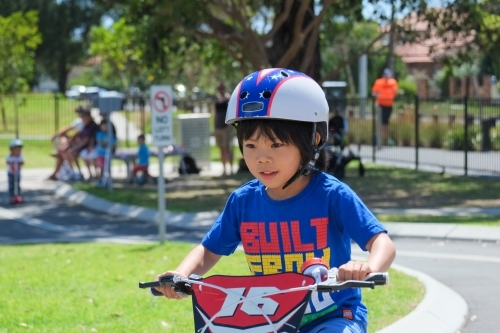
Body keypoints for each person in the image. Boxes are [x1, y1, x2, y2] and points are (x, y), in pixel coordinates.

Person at [154, 68, 396, 333]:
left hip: (333, 317)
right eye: (251, 145)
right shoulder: (243, 202)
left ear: (313, 141)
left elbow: (382, 243)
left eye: (276, 145)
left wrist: (366, 267)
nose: (262, 158)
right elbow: (208, 251)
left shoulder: (332, 195)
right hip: (270, 321)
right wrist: (181, 273)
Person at [46, 105, 87, 180]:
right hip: (76, 142)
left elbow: (73, 132)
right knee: (62, 146)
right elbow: (67, 130)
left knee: (63, 150)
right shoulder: (79, 121)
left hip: (80, 144)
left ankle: (66, 172)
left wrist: (56, 136)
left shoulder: (83, 122)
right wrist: (56, 135)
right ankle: (56, 173)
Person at [59, 108, 99, 181]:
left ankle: (80, 173)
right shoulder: (85, 125)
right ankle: (73, 172)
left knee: (71, 152)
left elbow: (87, 139)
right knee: (65, 151)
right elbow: (78, 135)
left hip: (87, 147)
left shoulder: (92, 126)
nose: (82, 119)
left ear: (88, 117)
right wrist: (69, 145)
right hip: (81, 146)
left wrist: (76, 148)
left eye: (83, 117)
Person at [371, 68, 398, 146]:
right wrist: (377, 94)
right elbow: (373, 93)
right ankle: (387, 139)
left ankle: (387, 139)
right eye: (386, 76)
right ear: (383, 75)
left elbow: (396, 93)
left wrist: (395, 92)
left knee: (385, 123)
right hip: (381, 105)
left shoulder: (393, 82)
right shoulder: (378, 82)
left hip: (389, 105)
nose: (387, 78)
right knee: (382, 123)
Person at [213, 82, 234, 175]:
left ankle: (231, 169)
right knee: (221, 148)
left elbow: (231, 112)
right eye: (219, 88)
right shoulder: (217, 100)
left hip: (226, 128)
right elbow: (215, 114)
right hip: (218, 127)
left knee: (227, 148)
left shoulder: (228, 99)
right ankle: (224, 169)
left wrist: (229, 126)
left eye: (221, 88)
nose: (220, 90)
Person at [6, 139, 24, 204]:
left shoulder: (20, 157)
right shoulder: (10, 156)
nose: (17, 151)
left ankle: (18, 195)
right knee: (11, 185)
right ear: (11, 149)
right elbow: (7, 161)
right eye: (16, 149)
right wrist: (11, 162)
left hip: (17, 173)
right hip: (11, 173)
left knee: (18, 185)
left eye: (19, 149)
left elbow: (22, 162)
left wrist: (20, 162)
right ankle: (12, 196)